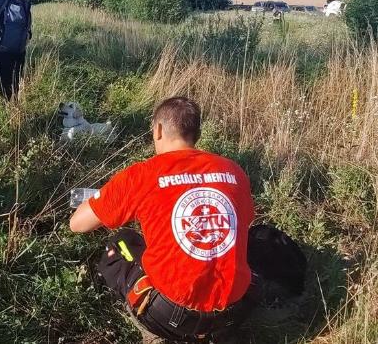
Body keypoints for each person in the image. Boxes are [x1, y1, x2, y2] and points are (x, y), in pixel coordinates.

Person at [69, 97, 256, 343]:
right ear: (196, 133)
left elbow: (77, 224)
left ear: (157, 130)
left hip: (169, 314)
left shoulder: (143, 175)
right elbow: (244, 222)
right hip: (234, 310)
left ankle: (152, 331)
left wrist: (102, 198)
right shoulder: (234, 171)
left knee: (121, 242)